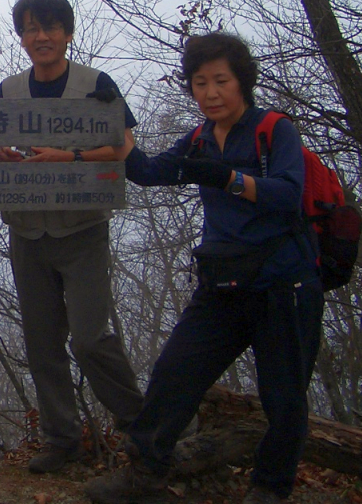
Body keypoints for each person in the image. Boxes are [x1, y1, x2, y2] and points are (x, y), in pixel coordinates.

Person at [83, 32, 324, 504]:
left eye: (221, 81)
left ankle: (270, 491)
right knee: (175, 373)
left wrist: (227, 178)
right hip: (224, 285)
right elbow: (148, 171)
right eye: (199, 82)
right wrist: (116, 119)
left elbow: (287, 194)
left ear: (242, 83)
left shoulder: (273, 130)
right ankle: (145, 475)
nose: (210, 93)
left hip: (284, 285)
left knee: (284, 397)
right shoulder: (198, 138)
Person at [0, 0, 145, 474]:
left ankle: (141, 427)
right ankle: (61, 439)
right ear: (22, 37)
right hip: (28, 232)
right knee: (42, 343)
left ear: (68, 33)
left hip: (83, 230)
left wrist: (69, 157)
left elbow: (124, 147)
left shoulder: (95, 84)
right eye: (31, 29)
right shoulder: (8, 90)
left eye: (51, 27)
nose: (41, 37)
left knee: (91, 339)